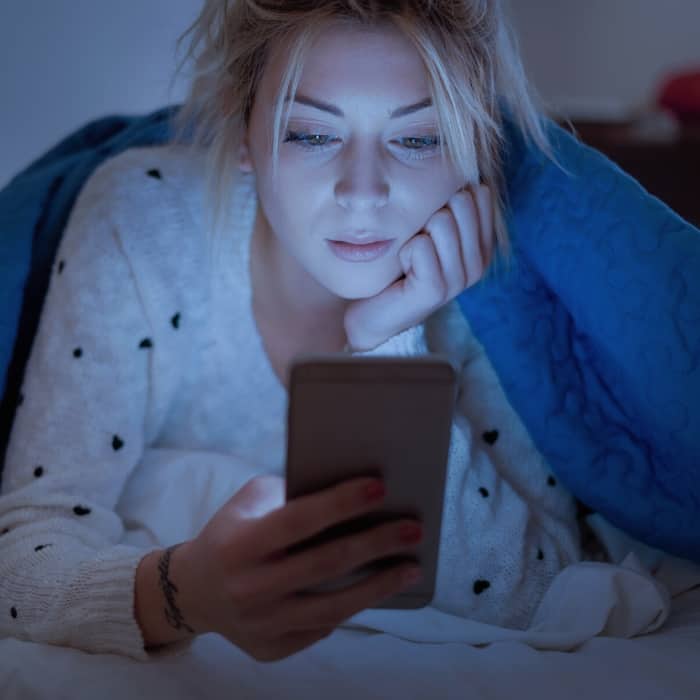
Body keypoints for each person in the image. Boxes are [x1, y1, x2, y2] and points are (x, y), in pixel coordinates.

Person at [0, 0, 586, 663]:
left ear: (473, 153)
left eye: (418, 139)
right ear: (242, 133)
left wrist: (386, 343)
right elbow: (24, 551)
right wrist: (183, 594)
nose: (362, 193)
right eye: (311, 134)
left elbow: (542, 586)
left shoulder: (482, 279)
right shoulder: (144, 224)